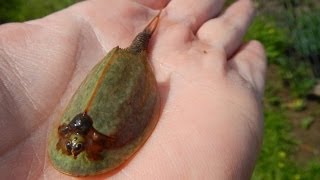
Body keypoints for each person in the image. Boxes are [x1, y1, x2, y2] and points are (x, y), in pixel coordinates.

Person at [0, 0, 266, 179]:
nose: (71, 147)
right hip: (121, 69)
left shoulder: (91, 140)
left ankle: (150, 31)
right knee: (140, 44)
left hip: (126, 70)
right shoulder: (72, 138)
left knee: (141, 43)